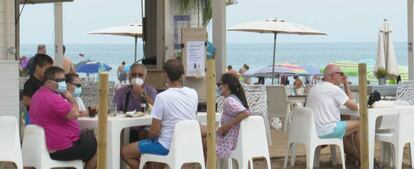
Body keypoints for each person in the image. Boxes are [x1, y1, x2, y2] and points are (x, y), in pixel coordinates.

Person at [121, 58, 198, 169]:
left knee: (125, 152)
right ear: (182, 75)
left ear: (165, 75)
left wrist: (148, 135)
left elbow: (154, 133)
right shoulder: (193, 93)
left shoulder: (162, 97)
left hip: (165, 146)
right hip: (186, 145)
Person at [29, 66, 97, 169]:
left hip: (48, 145)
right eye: (59, 80)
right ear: (49, 82)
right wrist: (71, 98)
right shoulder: (53, 98)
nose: (63, 83)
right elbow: (74, 115)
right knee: (97, 146)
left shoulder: (37, 95)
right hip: (62, 147)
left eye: (64, 80)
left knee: (87, 139)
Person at [306, 64, 360, 164]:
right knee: (362, 124)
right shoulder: (334, 89)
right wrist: (346, 84)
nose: (343, 77)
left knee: (345, 119)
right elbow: (354, 106)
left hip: (313, 131)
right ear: (333, 75)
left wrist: (344, 83)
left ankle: (353, 158)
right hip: (328, 130)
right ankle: (364, 159)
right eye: (341, 74)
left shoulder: (315, 87)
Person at [216, 73, 251, 159]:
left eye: (219, 84)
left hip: (228, 143)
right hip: (235, 141)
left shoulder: (229, 101)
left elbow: (246, 112)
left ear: (226, 86)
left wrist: (227, 126)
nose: (218, 87)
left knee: (204, 141)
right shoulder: (236, 99)